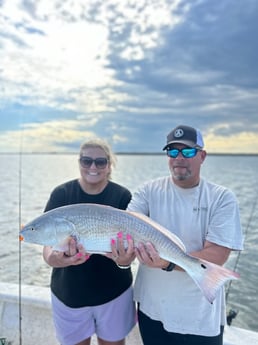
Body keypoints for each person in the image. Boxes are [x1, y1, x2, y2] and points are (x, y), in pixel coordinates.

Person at [127, 125, 244, 345]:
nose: (179, 158)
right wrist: (121, 257)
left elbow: (217, 255)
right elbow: (126, 228)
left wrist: (167, 262)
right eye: (172, 151)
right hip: (152, 311)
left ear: (202, 156)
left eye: (188, 151)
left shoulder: (221, 198)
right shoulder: (148, 191)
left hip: (199, 319)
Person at [43, 138, 136, 345]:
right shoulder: (62, 194)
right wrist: (57, 259)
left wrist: (124, 260)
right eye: (86, 161)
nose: (93, 167)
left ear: (109, 165)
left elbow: (131, 250)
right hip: (69, 294)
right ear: (79, 162)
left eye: (100, 162)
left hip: (114, 292)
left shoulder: (122, 196)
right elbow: (48, 247)